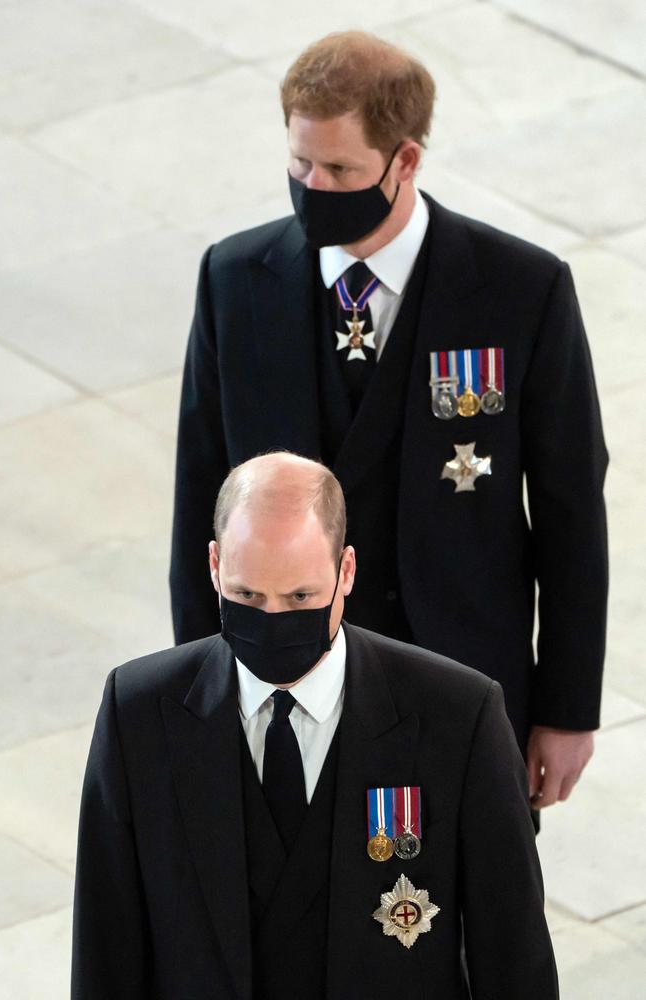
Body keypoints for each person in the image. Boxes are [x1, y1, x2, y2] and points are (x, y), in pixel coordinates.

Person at [170, 31, 608, 810]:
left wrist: (567, 711)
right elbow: (200, 497)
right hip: (284, 688)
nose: (313, 185)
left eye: (339, 169)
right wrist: (199, 690)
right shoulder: (236, 283)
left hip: (463, 686)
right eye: (299, 164)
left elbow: (572, 510)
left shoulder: (521, 291)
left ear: (404, 161)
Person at [73, 453, 558, 999]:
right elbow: (104, 952)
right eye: (247, 596)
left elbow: (514, 958)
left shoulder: (458, 717)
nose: (273, 619)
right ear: (214, 566)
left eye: (300, 597)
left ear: (346, 571)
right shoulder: (138, 715)